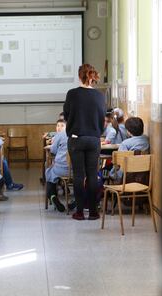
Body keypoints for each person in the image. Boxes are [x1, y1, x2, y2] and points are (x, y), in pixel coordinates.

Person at [63, 63, 106, 220]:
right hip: (94, 139)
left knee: (79, 176)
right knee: (92, 175)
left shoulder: (72, 94)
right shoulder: (101, 96)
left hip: (76, 139)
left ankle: (80, 211)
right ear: (93, 77)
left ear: (79, 76)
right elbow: (103, 118)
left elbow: (66, 114)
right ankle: (93, 212)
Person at [45, 119, 68, 212]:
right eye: (58, 126)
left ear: (66, 126)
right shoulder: (77, 134)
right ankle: (76, 201)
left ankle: (52, 196)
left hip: (61, 169)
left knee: (49, 171)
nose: (59, 128)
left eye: (62, 125)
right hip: (76, 170)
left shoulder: (60, 135)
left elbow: (53, 150)